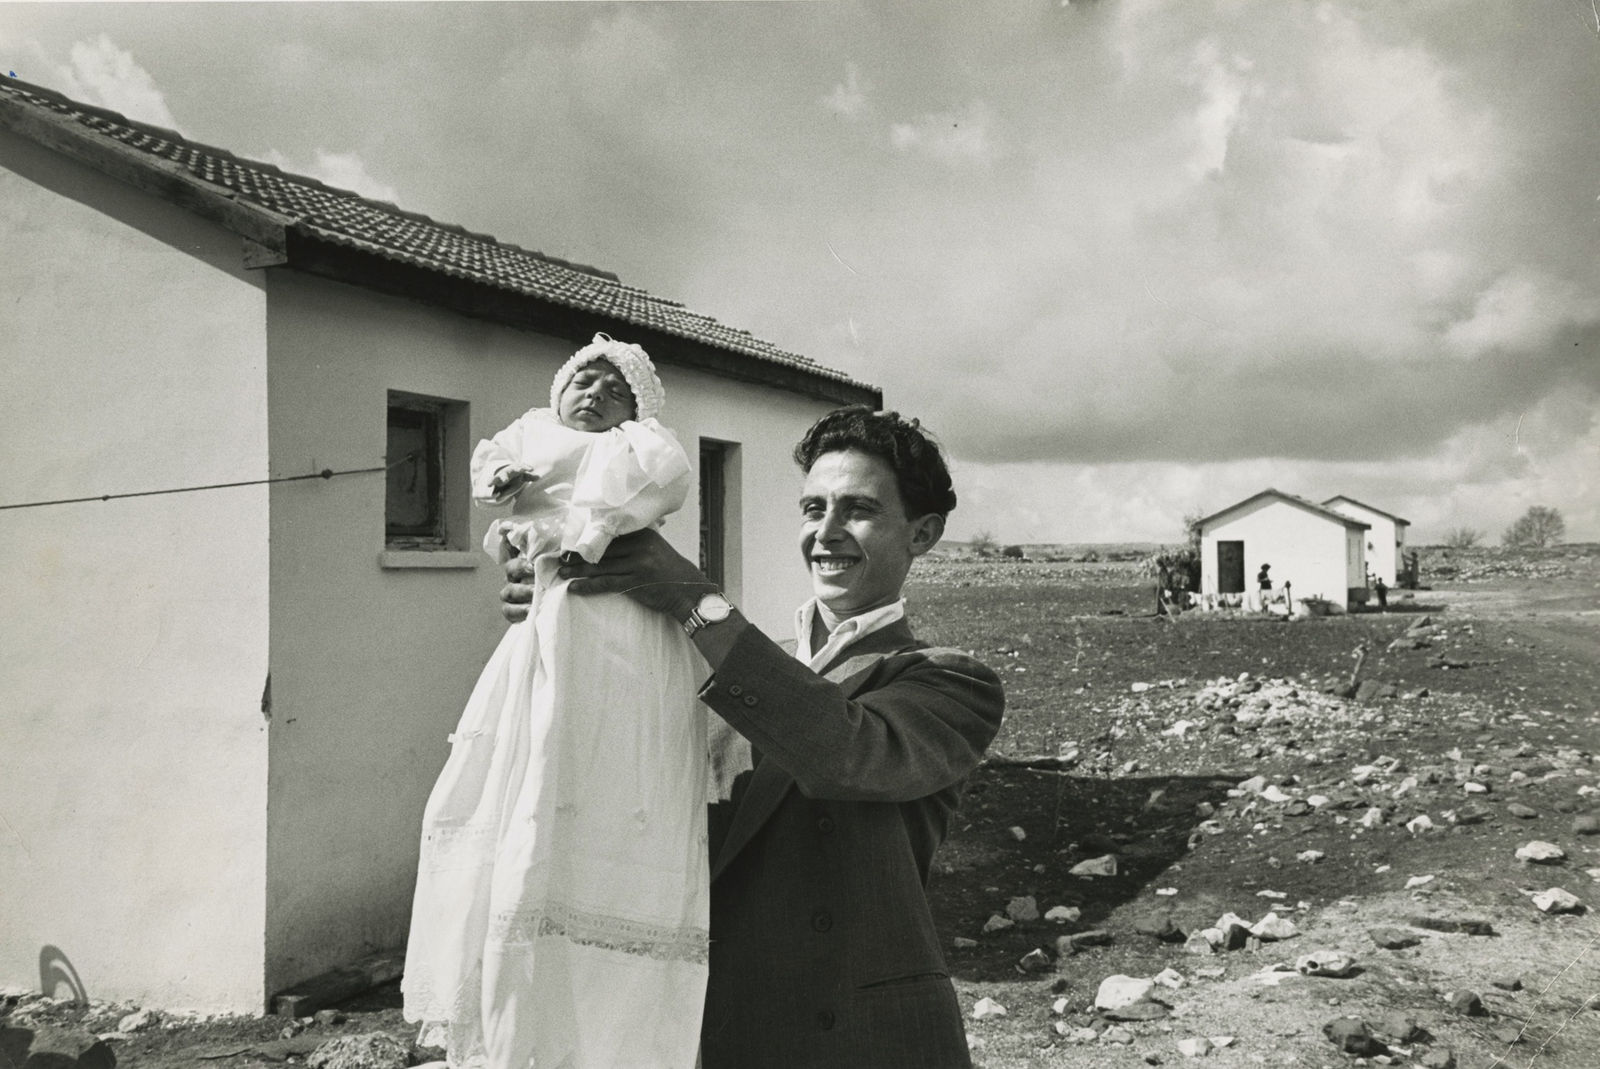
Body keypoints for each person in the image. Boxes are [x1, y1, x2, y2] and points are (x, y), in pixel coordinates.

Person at [503, 406, 1005, 1068]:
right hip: (730, 1026)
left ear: (923, 532)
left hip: (866, 1039)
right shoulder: (744, 661)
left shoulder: (948, 682)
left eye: (858, 509)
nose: (826, 532)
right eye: (812, 507)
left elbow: (845, 751)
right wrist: (562, 613)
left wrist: (695, 598)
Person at [402, 333, 710, 1069]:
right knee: (522, 778)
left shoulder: (639, 442)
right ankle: (520, 1023)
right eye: (582, 381)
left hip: (619, 617)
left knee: (609, 777)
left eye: (613, 388)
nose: (594, 394)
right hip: (542, 626)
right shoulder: (530, 435)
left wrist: (593, 529)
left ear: (635, 405)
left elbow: (662, 481)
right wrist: (503, 491)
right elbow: (488, 474)